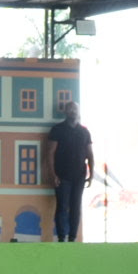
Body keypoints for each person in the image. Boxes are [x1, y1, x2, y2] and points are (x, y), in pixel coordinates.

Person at [44, 100, 93, 241]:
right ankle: (61, 238)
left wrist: (90, 174)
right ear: (65, 112)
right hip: (61, 175)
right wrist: (52, 174)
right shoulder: (57, 130)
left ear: (79, 112)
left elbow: (90, 154)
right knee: (62, 207)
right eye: (70, 109)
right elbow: (50, 153)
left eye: (75, 109)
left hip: (79, 176)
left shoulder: (84, 131)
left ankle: (72, 238)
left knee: (76, 207)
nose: (73, 112)